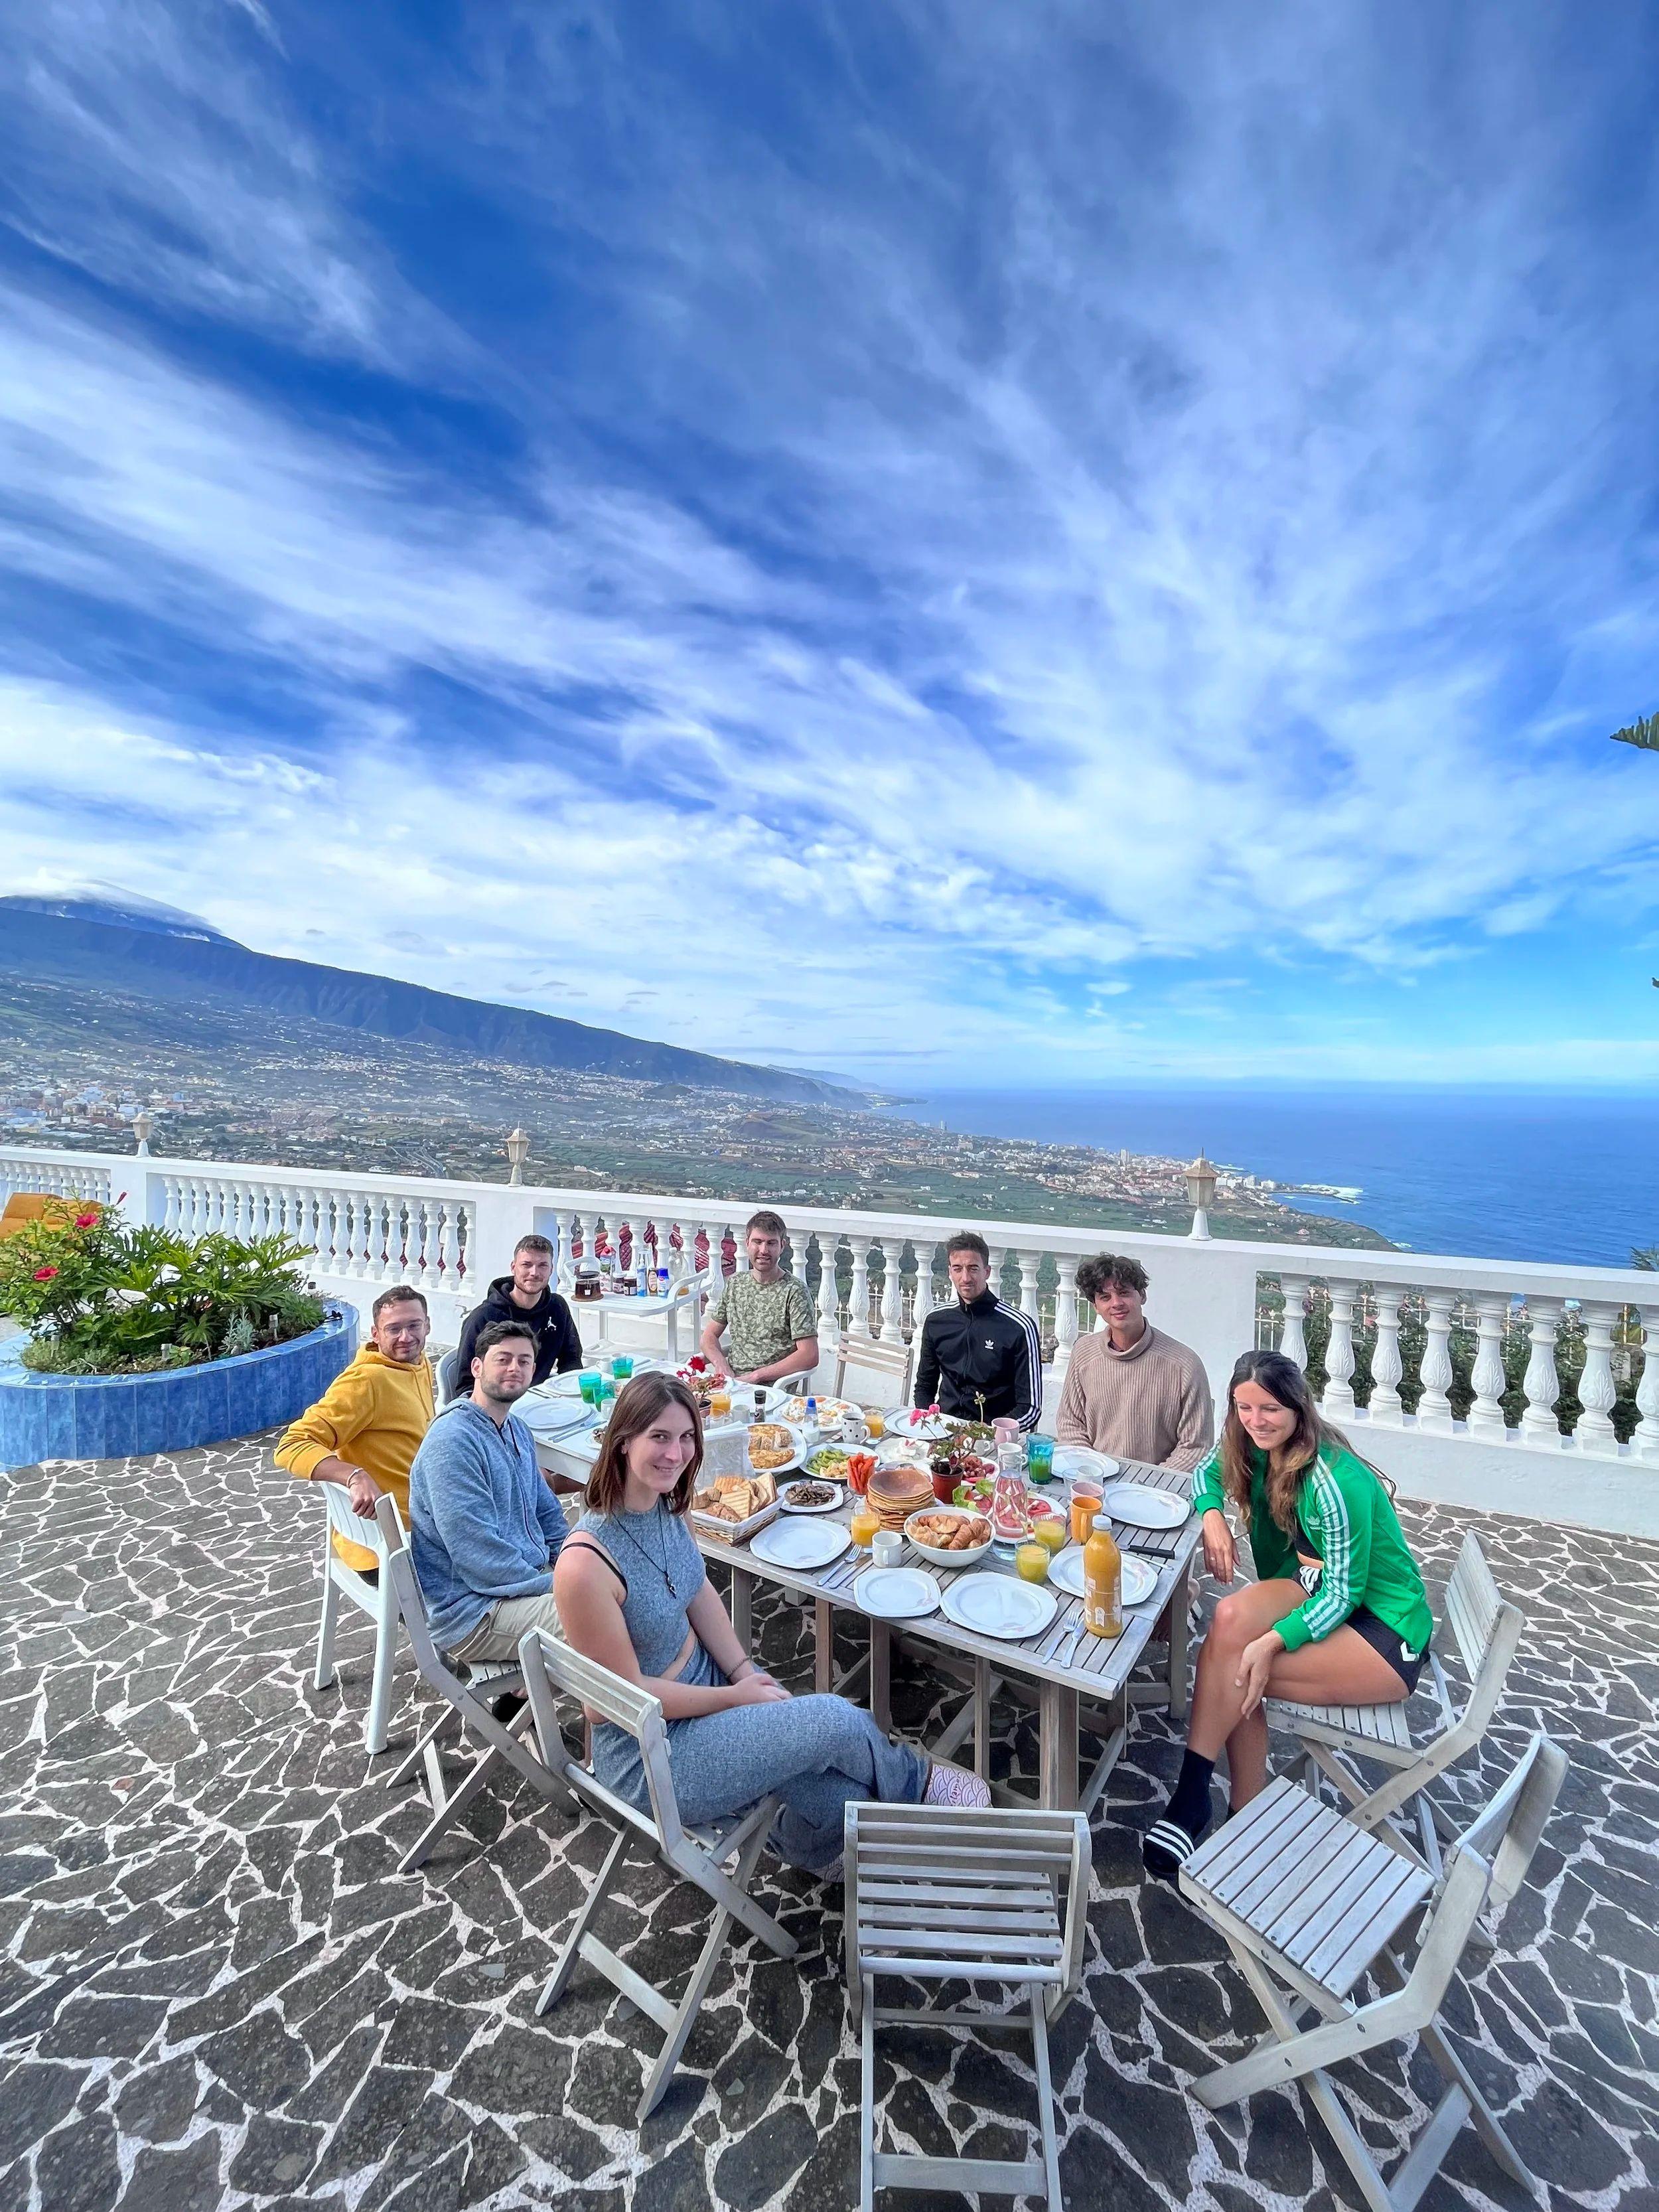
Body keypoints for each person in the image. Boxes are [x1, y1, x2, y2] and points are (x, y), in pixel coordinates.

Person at [553, 1371, 989, 1878]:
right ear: (623, 1440)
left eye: (687, 1436)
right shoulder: (584, 1565)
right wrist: (737, 1697)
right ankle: (918, 1781)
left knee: (838, 1795)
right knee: (833, 1719)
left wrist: (741, 1670)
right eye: (659, 1436)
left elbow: (698, 1591)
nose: (676, 1453)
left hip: (707, 1689)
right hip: (652, 1755)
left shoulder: (669, 1506)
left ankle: (809, 1845)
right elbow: (617, 1701)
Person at [1143, 1349, 1434, 1880]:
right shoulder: (1248, 1442)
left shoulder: (1332, 1482)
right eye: (1244, 1407)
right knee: (1229, 1620)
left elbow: (1346, 1594)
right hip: (1313, 1588)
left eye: (1270, 1408)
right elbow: (1205, 1474)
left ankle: (1218, 1811)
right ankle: (1204, 1798)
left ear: (1298, 1407)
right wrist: (1212, 1517)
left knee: (1243, 1668)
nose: (1256, 1420)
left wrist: (1275, 1639)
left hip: (1382, 1629)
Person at [407, 1320, 569, 1664]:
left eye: (524, 1361)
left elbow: (548, 1513)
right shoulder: (453, 1442)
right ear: (477, 1367)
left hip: (519, 1588)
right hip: (473, 1610)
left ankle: (527, 1693)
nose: (515, 1368)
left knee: (618, 1587)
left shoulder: (517, 1429)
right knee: (606, 1618)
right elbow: (478, 1555)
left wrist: (571, 1561)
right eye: (503, 1359)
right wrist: (559, 1584)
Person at [275, 1284, 434, 1574]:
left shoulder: (419, 1364)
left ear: (427, 1326)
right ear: (376, 1334)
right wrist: (353, 1476)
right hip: (390, 1548)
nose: (406, 1337)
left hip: (422, 1527)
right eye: (393, 1329)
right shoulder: (365, 1382)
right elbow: (292, 1444)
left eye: (414, 1326)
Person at [1055, 1254, 1214, 1471]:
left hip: (1156, 1491)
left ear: (1142, 1295)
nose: (1116, 1304)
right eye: (1105, 1297)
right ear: (1095, 1306)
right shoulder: (1084, 1352)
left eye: (1124, 1293)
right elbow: (1070, 1424)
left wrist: (1150, 1484)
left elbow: (1196, 1447)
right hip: (1093, 1481)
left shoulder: (1184, 1364)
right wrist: (1093, 1471)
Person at [912, 1231, 1041, 1432]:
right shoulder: (937, 1321)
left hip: (993, 1436)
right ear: (950, 1272)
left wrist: (988, 1433)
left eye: (973, 1268)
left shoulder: (1019, 1327)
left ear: (987, 1271)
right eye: (958, 1269)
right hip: (943, 1429)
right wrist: (929, 1423)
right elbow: (924, 1385)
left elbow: (1030, 1408)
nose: (965, 1278)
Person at [451, 1233, 583, 1397]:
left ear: (551, 1269)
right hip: (497, 1406)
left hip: (542, 1402)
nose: (534, 1273)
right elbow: (465, 1385)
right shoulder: (482, 1318)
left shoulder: (557, 1307)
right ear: (514, 1267)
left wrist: (569, 1397)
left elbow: (571, 1360)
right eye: (526, 1265)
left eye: (542, 1265)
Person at [698, 1210, 819, 1386]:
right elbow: (709, 1336)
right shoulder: (736, 1284)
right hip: (731, 1383)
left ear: (782, 1246)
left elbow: (809, 1355)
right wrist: (721, 1365)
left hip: (771, 1389)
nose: (764, 1250)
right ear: (747, 1243)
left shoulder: (794, 1291)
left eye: (771, 1243)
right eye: (758, 1242)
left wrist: (756, 1376)